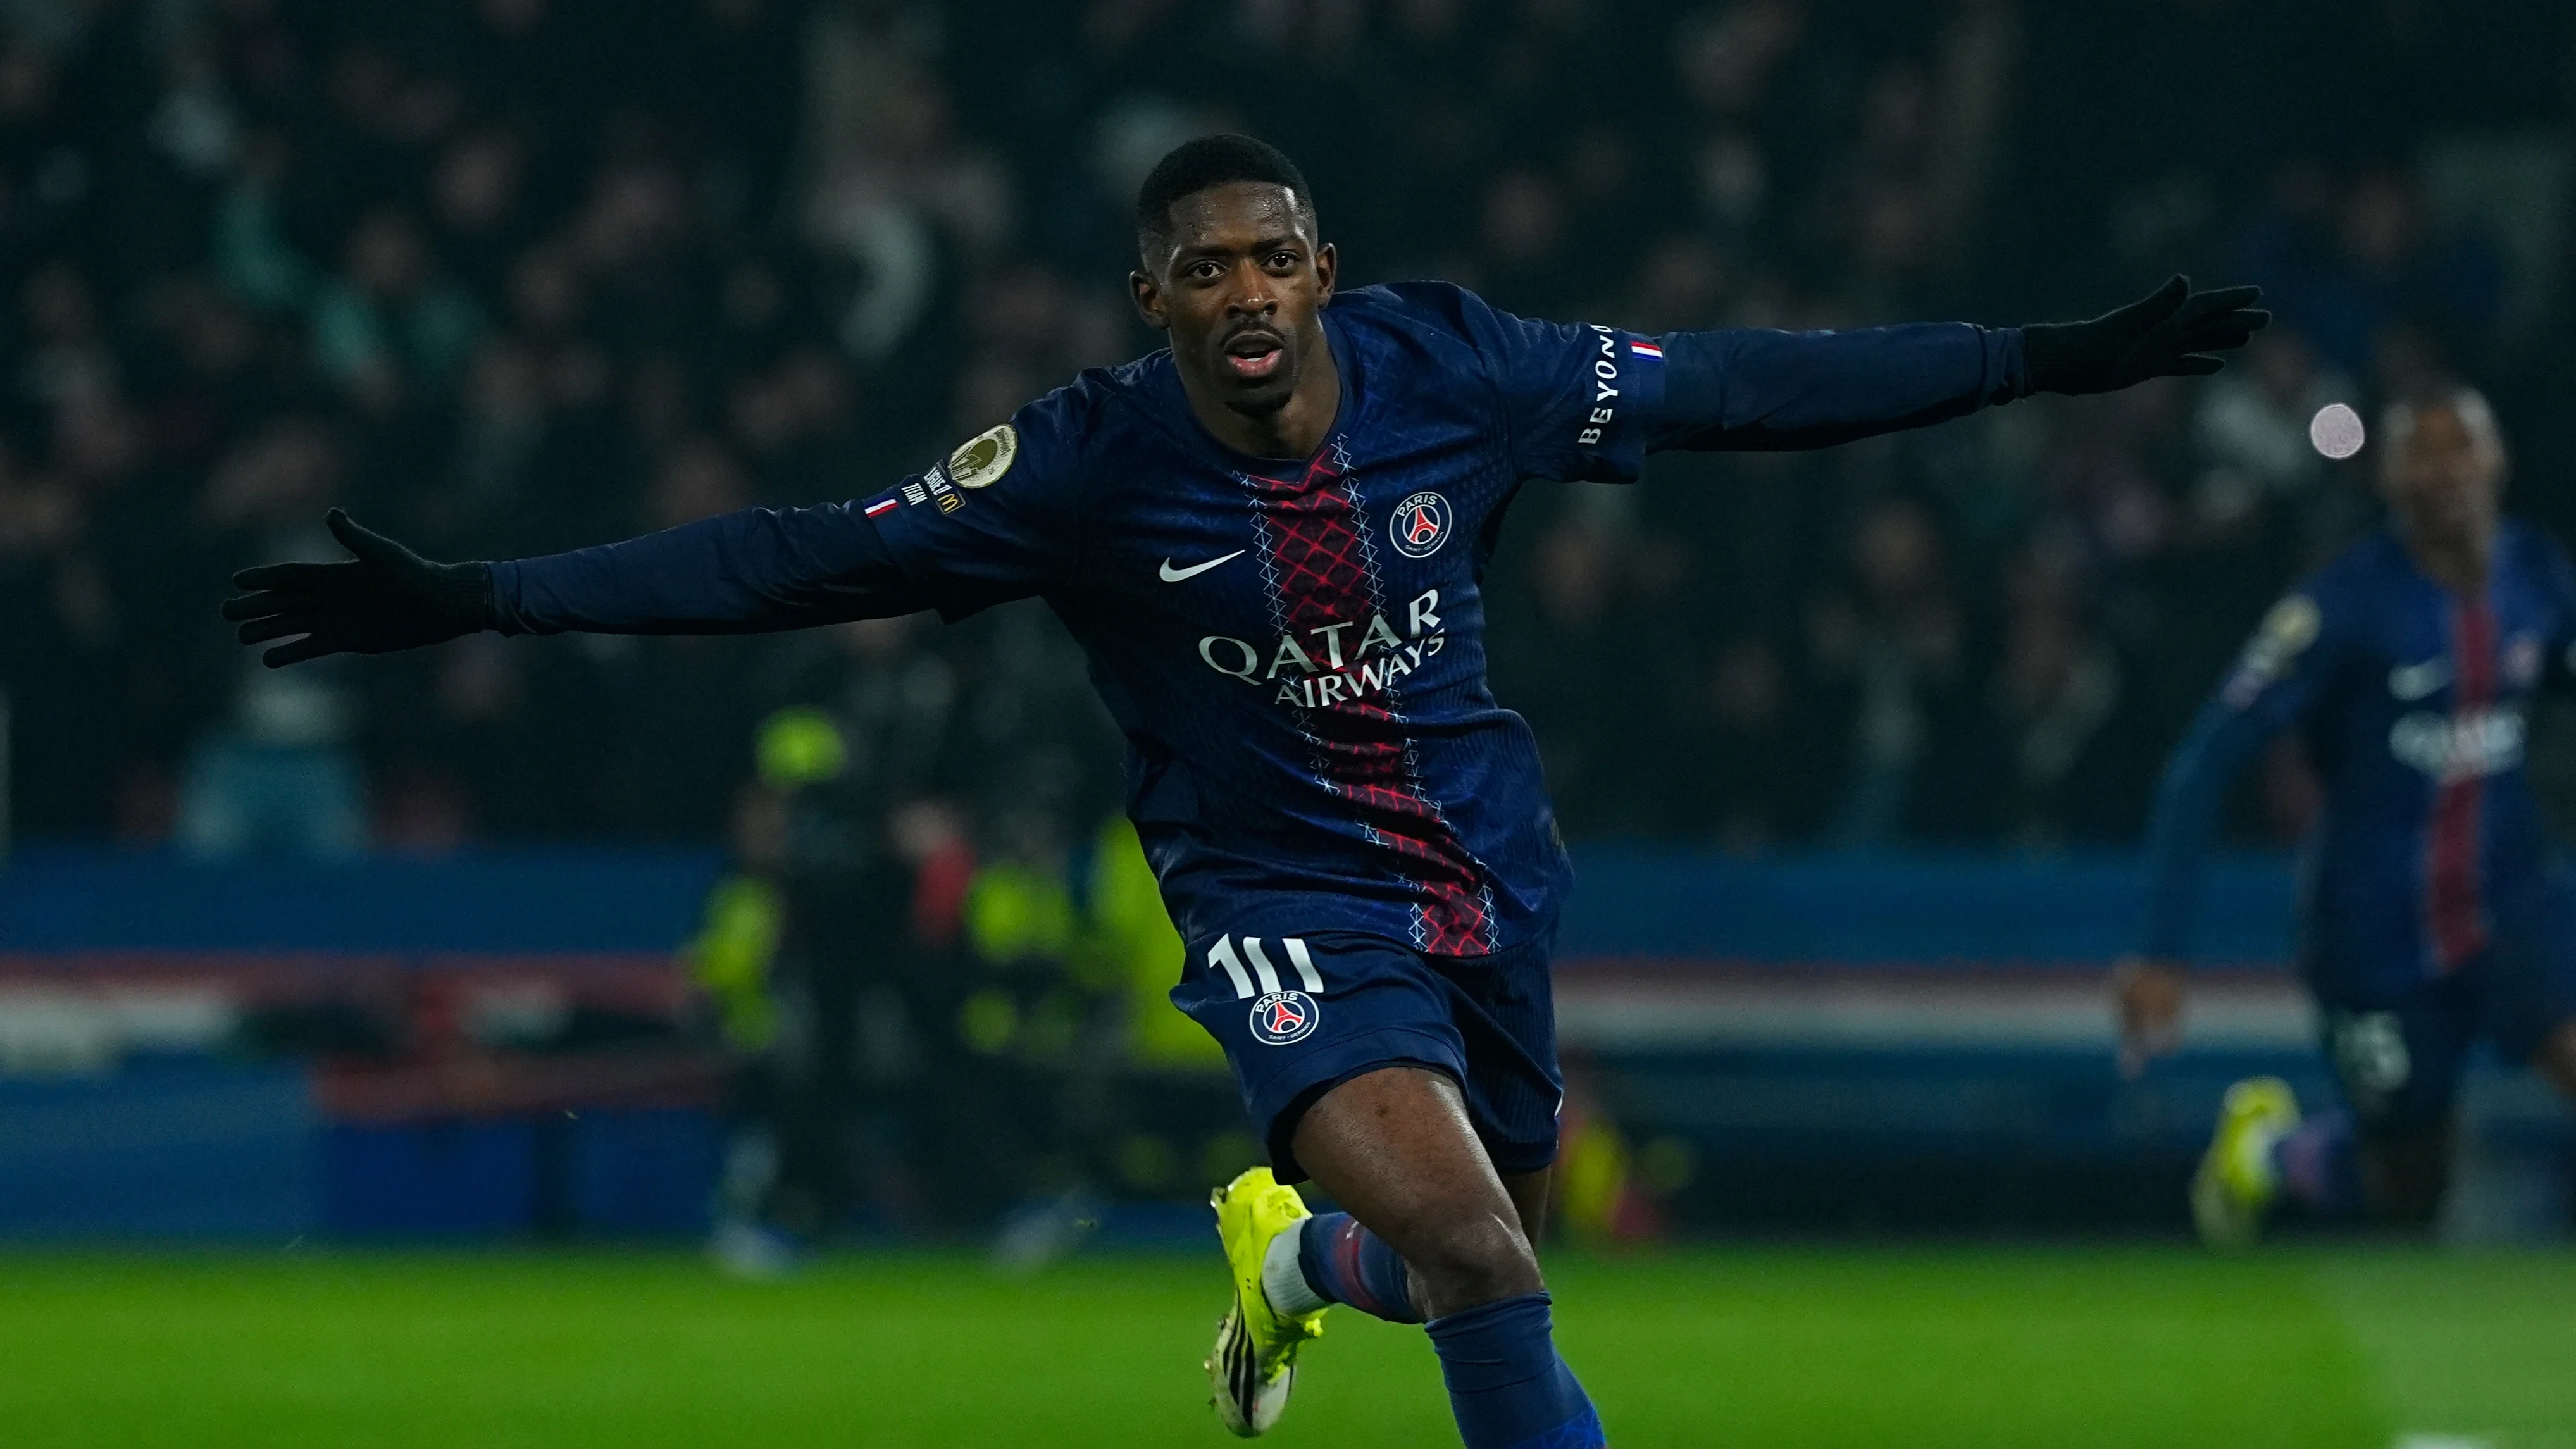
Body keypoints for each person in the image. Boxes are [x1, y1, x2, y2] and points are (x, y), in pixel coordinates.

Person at [225, 135, 2264, 1446]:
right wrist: (486, 598)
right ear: (1155, 303)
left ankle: (1288, 1266)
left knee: (1473, 1245)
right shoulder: (1082, 464)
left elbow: (1735, 385)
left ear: (1318, 268)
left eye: (1271, 257)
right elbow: (795, 556)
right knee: (1487, 1257)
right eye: (1202, 270)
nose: (1244, 294)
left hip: (1483, 877)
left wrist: (2033, 358)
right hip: (1281, 902)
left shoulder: (1453, 365)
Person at [2118, 385, 2576, 1246]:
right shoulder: (2339, 606)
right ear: (2388, 479)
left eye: (2461, 447)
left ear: (2497, 460)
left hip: (2512, 905)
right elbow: (2206, 760)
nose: (2444, 471)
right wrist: (2160, 948)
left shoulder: (2537, 573)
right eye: (2420, 453)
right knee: (2407, 1188)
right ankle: (2269, 1152)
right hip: (2375, 931)